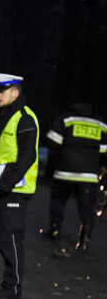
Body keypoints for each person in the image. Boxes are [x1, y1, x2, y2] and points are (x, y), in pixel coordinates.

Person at [0, 73, 39, 299]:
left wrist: (7, 182)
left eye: (2, 91)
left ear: (14, 93)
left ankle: (13, 291)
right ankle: (9, 286)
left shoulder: (24, 118)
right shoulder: (11, 116)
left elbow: (28, 154)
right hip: (7, 188)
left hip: (16, 189)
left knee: (11, 240)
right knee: (4, 239)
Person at [45, 103, 107, 252]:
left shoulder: (66, 118)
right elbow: (104, 151)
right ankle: (84, 240)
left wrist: (58, 160)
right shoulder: (101, 124)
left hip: (64, 171)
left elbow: (53, 142)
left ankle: (54, 231)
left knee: (58, 202)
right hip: (89, 175)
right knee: (86, 208)